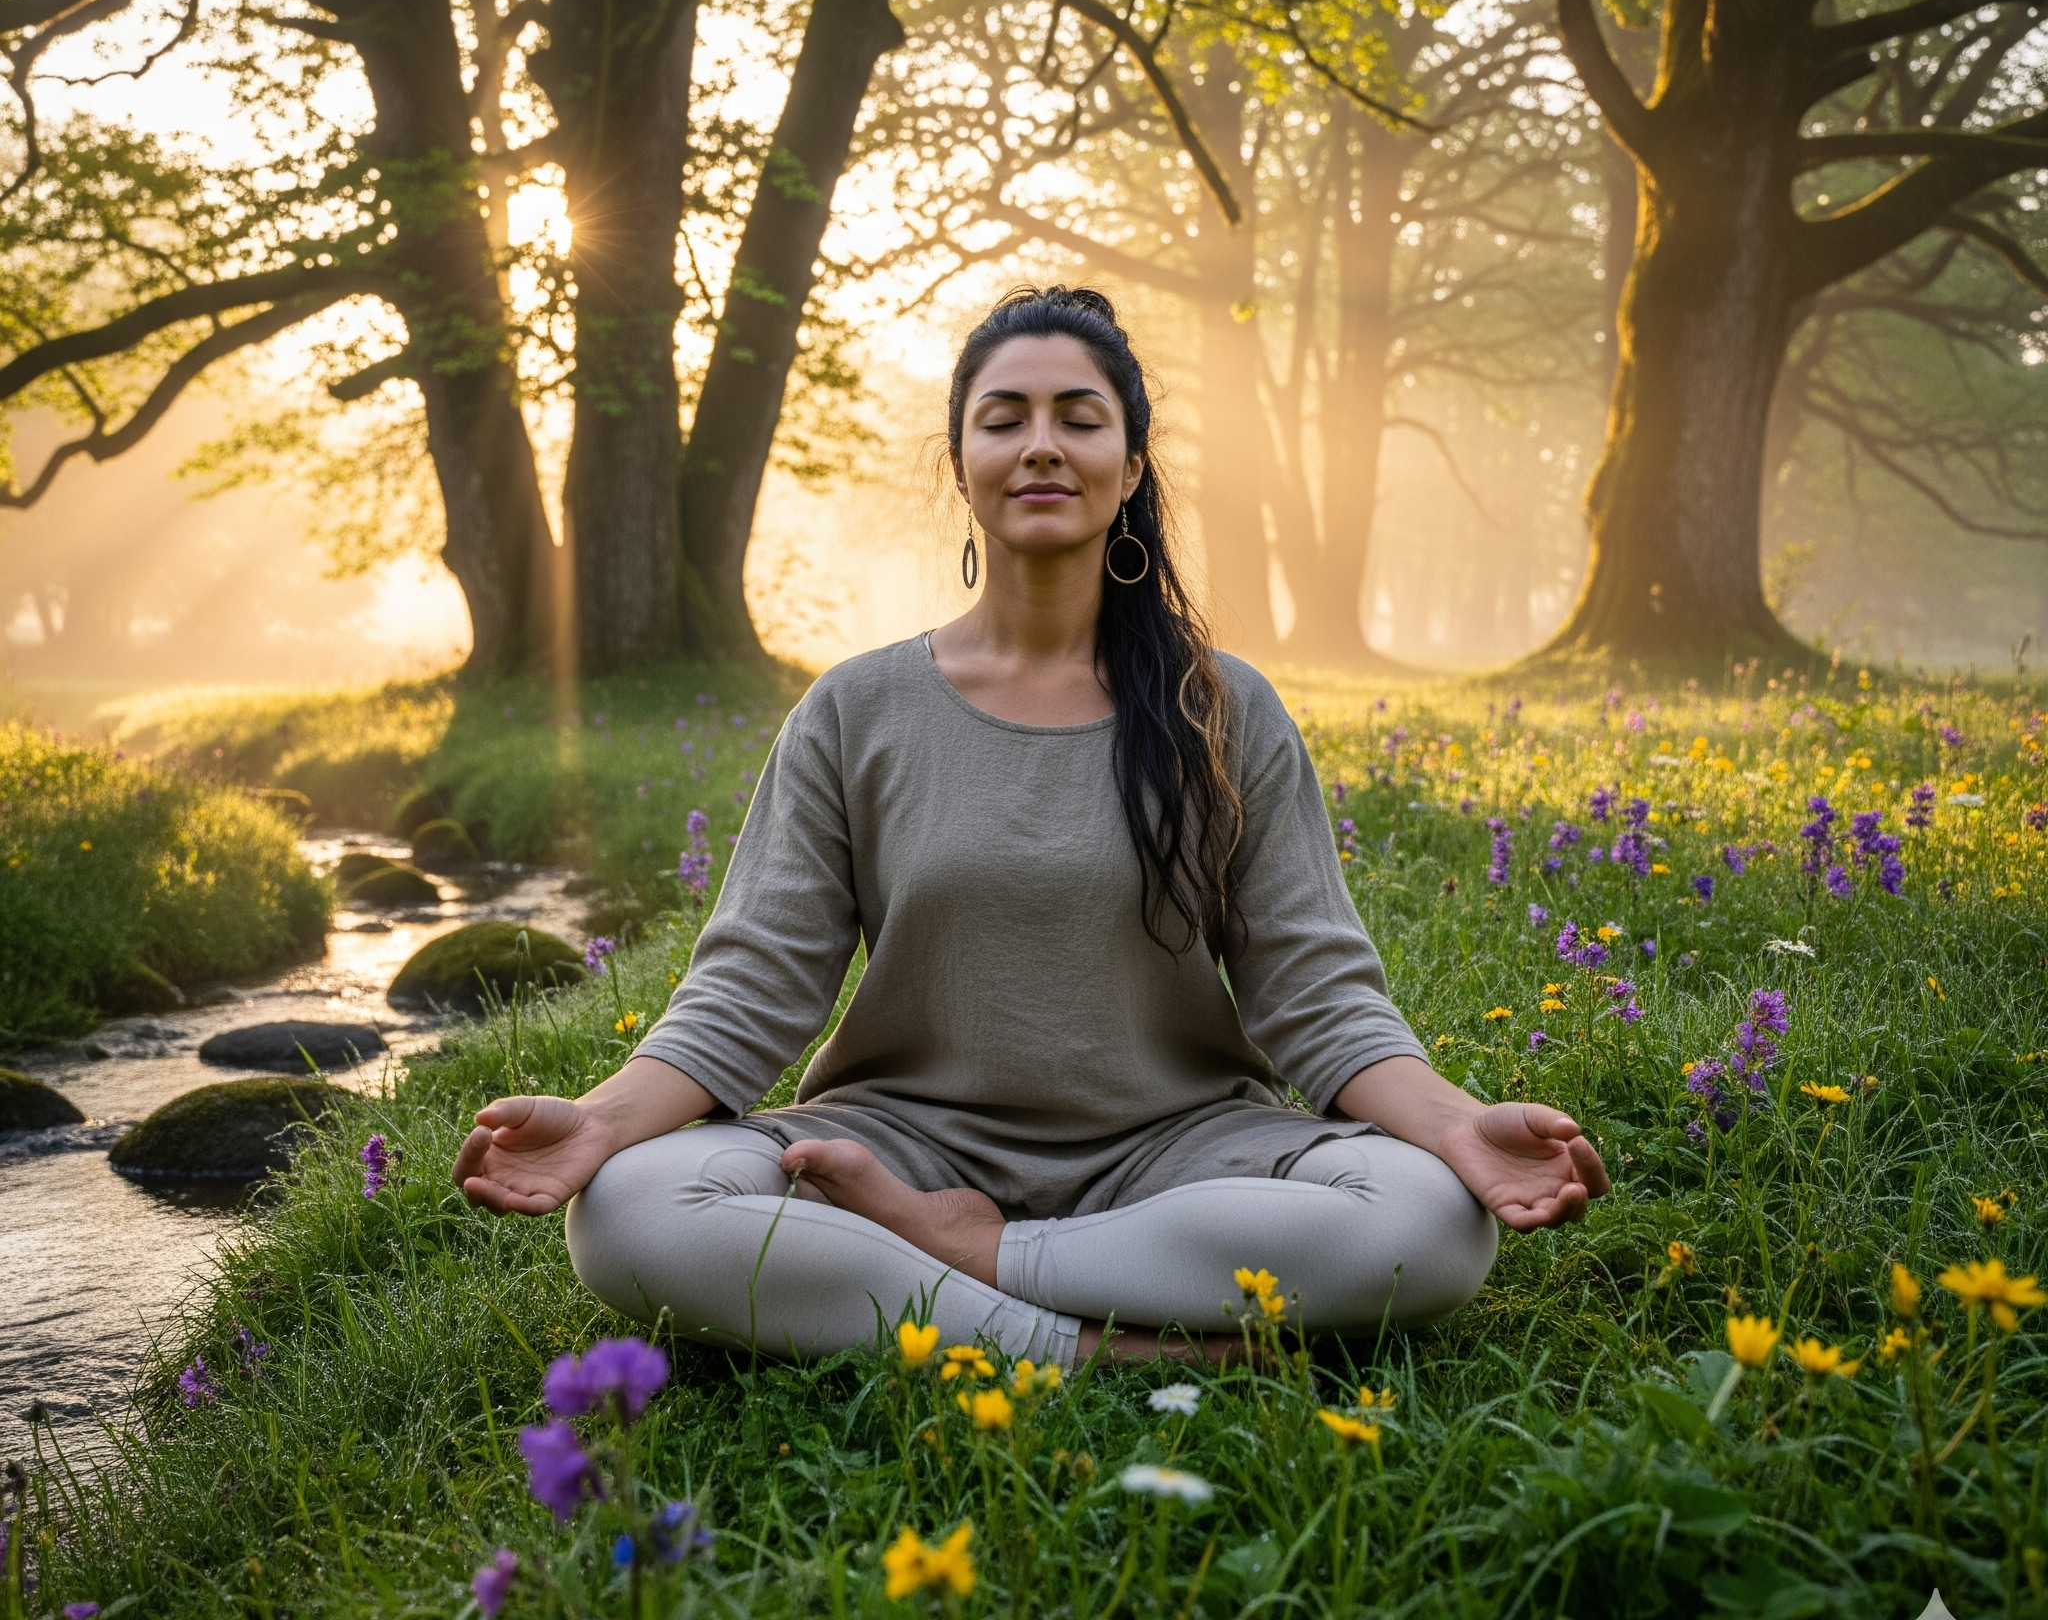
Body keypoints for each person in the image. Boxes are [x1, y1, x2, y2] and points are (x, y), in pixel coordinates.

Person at [454, 286, 1609, 1367]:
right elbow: (752, 983)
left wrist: (1456, 1125)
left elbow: (1315, 990)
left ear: (1130, 463)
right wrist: (599, 1120)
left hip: (1180, 1150)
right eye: (1003, 419)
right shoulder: (855, 710)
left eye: (1079, 418)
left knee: (1427, 1222)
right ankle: (1095, 1346)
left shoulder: (1224, 708)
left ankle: (972, 1261)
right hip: (899, 1142)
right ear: (960, 464)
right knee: (630, 1210)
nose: (1041, 445)